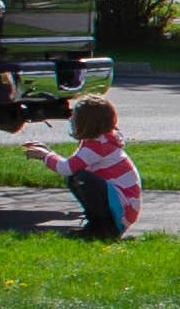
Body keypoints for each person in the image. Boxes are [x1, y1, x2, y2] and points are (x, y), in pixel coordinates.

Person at [26, 95, 143, 240]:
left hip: (124, 208)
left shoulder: (98, 145)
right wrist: (48, 153)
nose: (71, 121)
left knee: (82, 178)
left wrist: (45, 155)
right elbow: (72, 166)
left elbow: (67, 167)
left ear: (86, 123)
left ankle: (106, 228)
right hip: (123, 204)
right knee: (75, 177)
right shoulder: (99, 140)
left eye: (74, 119)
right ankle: (97, 224)